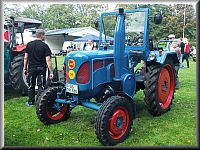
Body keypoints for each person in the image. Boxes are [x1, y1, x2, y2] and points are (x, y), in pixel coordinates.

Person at [24, 29, 54, 106]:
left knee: (31, 85)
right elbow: (48, 60)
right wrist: (51, 72)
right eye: (44, 35)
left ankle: (30, 102)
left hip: (31, 68)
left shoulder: (29, 44)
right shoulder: (45, 46)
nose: (45, 37)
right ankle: (39, 102)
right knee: (41, 86)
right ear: (41, 35)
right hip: (41, 69)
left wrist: (25, 68)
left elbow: (25, 58)